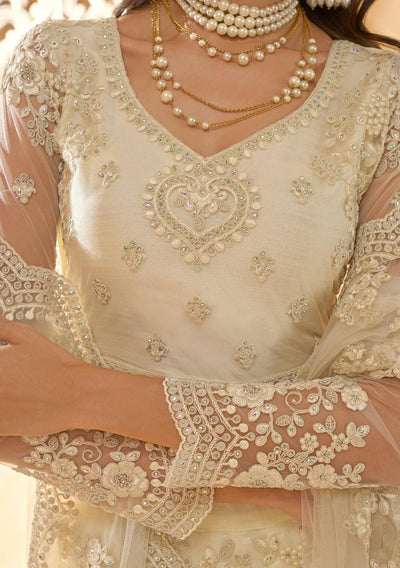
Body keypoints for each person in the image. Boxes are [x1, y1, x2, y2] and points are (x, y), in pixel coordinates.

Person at [0, 0, 399, 565]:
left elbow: (389, 419)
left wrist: (77, 394)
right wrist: (273, 490)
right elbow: (10, 395)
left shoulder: (382, 94)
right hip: (105, 542)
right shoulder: (58, 65)